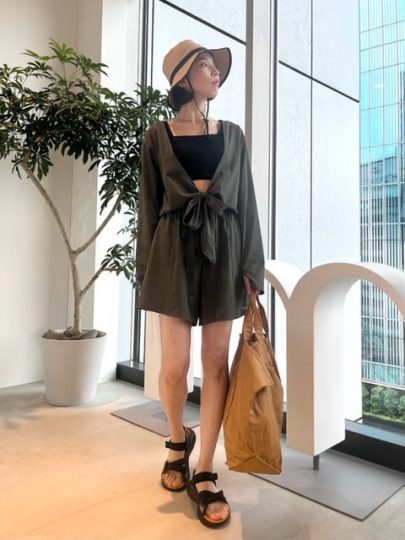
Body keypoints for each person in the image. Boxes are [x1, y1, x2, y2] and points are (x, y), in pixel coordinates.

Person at [135, 39, 265, 528]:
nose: (216, 74)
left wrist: (252, 265)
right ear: (184, 78)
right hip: (172, 252)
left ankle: (206, 467)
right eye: (207, 66)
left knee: (214, 363)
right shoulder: (156, 136)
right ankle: (177, 439)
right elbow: (148, 209)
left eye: (215, 67)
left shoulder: (232, 134)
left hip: (224, 253)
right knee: (174, 366)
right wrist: (145, 272)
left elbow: (246, 202)